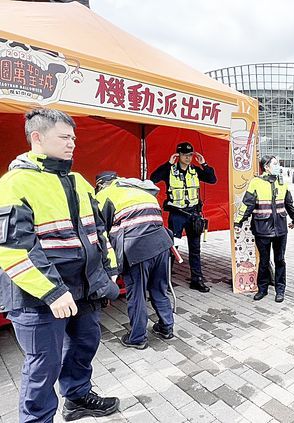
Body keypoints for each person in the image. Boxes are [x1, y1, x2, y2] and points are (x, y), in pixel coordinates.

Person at [0, 108, 120, 422]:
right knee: (43, 366)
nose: (72, 144)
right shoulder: (14, 183)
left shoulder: (79, 181)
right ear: (37, 138)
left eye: (74, 137)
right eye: (64, 137)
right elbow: (14, 249)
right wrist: (53, 292)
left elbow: (97, 232)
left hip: (83, 290)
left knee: (85, 345)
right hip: (36, 297)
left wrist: (108, 272)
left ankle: (78, 398)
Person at [95, 172, 175, 349]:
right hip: (162, 243)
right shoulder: (138, 188)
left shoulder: (103, 195)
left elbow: (101, 232)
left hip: (136, 248)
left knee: (137, 293)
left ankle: (137, 337)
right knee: (159, 288)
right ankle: (166, 327)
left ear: (101, 185)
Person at [150, 142, 216, 293]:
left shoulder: (195, 171)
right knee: (173, 248)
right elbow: (153, 178)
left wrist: (204, 163)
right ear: (178, 155)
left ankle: (197, 280)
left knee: (195, 248)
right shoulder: (170, 171)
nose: (188, 158)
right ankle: (165, 280)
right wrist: (168, 163)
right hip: (177, 215)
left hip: (193, 215)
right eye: (185, 155)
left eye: (190, 155)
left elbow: (212, 179)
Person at [234, 155, 294, 302]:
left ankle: (280, 290)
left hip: (281, 229)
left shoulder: (282, 182)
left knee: (280, 260)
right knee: (263, 260)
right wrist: (238, 221)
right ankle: (262, 289)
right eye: (275, 164)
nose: (278, 166)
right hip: (262, 228)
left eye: (278, 163)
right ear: (266, 167)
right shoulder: (256, 182)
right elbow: (247, 204)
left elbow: (289, 203)